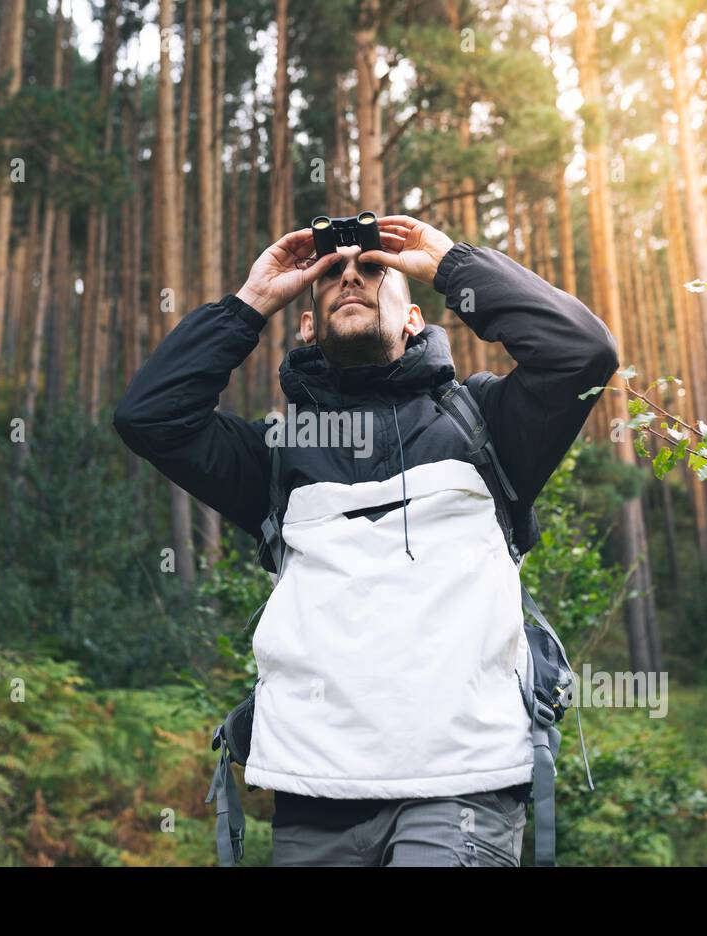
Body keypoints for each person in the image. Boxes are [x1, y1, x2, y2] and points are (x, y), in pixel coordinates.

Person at [113, 214, 617, 866]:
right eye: (329, 275)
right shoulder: (275, 456)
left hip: (464, 787)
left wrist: (451, 267)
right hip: (311, 790)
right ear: (307, 326)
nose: (350, 273)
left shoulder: (488, 424)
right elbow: (149, 417)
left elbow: (583, 353)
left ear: (414, 321)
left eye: (374, 268)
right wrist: (254, 299)